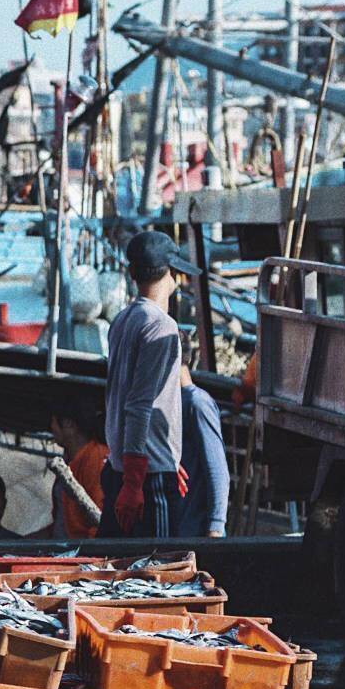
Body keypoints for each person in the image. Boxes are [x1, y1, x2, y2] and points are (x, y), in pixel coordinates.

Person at [102, 230, 190, 537]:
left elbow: (119, 398)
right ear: (173, 274)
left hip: (120, 465)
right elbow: (140, 406)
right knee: (159, 570)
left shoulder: (122, 320)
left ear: (132, 273)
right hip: (144, 476)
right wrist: (136, 479)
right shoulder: (162, 327)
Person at [176, 367, 230, 538]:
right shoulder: (172, 402)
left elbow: (218, 471)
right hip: (179, 527)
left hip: (195, 530)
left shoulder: (197, 403)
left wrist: (215, 528)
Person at [45, 407, 109, 539]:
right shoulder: (70, 460)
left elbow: (99, 511)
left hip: (82, 551)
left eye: (54, 422)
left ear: (69, 424)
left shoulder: (95, 457)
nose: (52, 428)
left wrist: (94, 553)